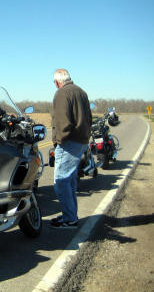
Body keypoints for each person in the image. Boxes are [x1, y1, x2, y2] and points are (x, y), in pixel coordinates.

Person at [50, 69, 92, 229]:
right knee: (70, 181)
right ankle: (70, 215)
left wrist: (58, 141)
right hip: (81, 141)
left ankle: (69, 219)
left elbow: (62, 122)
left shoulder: (61, 94)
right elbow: (88, 117)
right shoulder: (81, 92)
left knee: (61, 182)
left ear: (57, 82)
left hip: (68, 143)